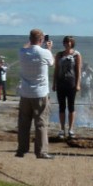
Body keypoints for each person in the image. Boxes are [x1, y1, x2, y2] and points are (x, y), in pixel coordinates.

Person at [16, 29, 54, 159]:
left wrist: (30, 42)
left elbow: (25, 47)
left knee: (23, 123)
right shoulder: (45, 53)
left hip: (25, 92)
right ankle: (41, 151)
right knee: (41, 122)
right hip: (40, 92)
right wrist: (49, 48)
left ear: (30, 39)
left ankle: (21, 150)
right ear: (42, 39)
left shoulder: (22, 52)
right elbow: (52, 62)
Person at [53, 36, 82, 140]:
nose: (66, 43)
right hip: (61, 83)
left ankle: (70, 129)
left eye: (68, 42)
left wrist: (78, 83)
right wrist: (54, 83)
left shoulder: (76, 55)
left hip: (71, 83)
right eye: (65, 41)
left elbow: (78, 70)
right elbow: (56, 69)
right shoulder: (59, 55)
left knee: (71, 106)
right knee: (61, 106)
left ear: (72, 43)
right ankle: (61, 129)